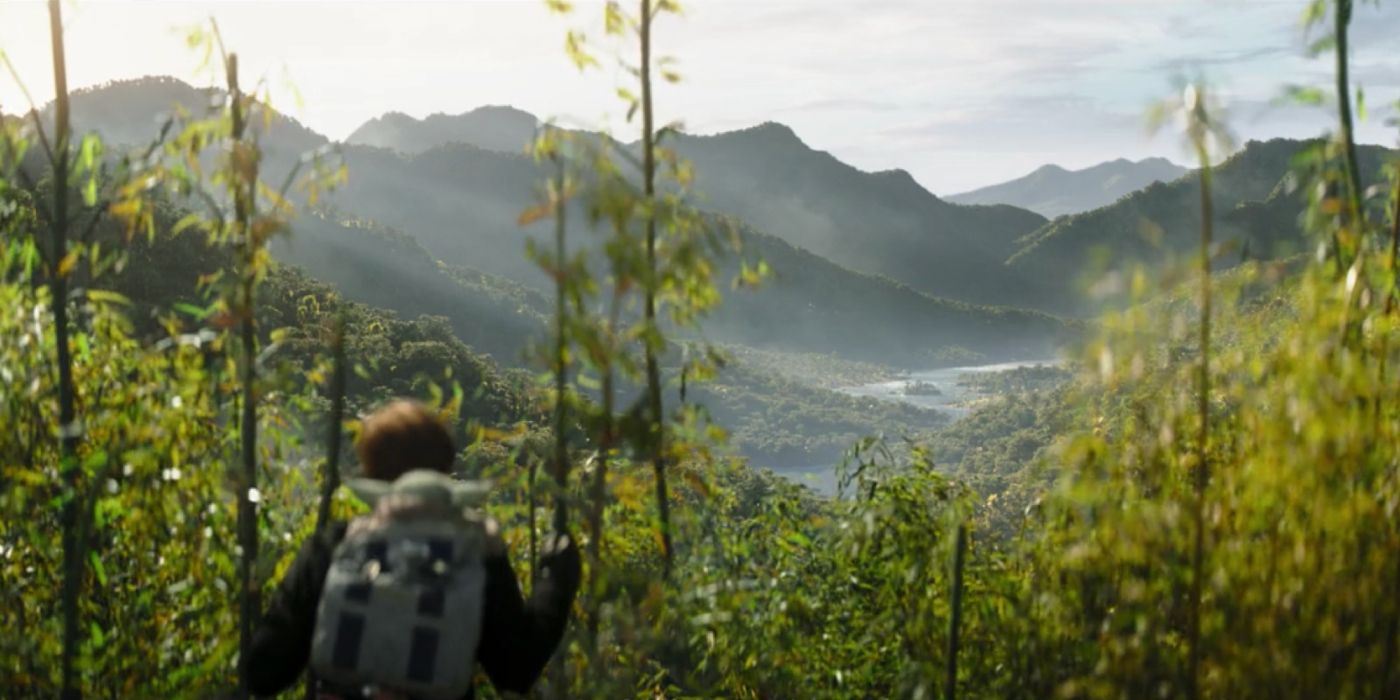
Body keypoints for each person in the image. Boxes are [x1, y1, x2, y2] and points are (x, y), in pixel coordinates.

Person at [247, 400, 580, 699]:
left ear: (371, 472)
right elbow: (515, 670)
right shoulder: (474, 552)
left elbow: (263, 672)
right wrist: (555, 577)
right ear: (446, 469)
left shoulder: (335, 546)